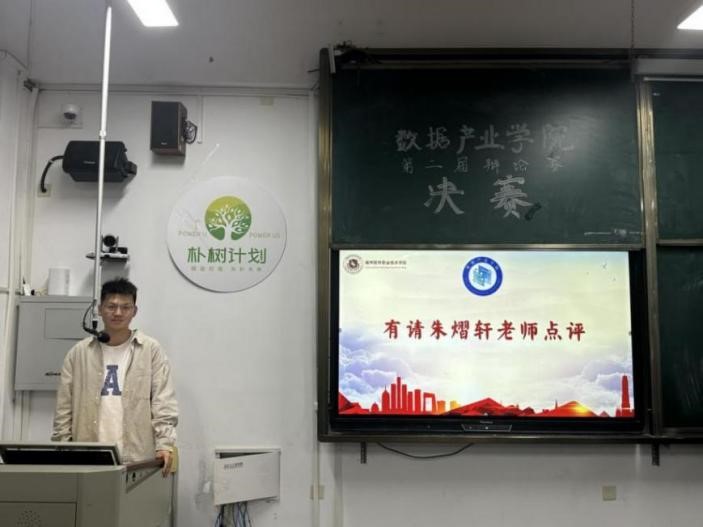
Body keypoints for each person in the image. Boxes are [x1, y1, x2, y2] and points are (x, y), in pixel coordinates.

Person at [52, 277, 178, 475]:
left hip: (137, 458)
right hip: (87, 456)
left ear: (134, 311)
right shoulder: (79, 353)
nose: (118, 313)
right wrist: (63, 449)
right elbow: (63, 408)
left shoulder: (150, 350)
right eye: (111, 306)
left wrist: (165, 444)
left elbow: (163, 401)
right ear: (100, 309)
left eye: (125, 307)